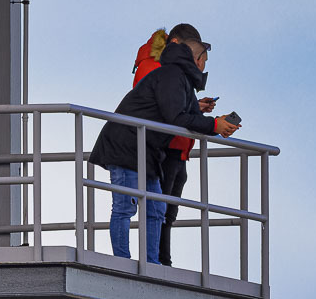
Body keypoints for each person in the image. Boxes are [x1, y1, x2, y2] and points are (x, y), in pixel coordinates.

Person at [89, 23, 238, 263]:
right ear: (196, 58)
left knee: (156, 209)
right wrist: (213, 125)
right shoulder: (171, 74)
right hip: (127, 145)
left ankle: (151, 263)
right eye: (204, 60)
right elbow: (176, 117)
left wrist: (218, 124)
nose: (204, 66)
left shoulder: (178, 77)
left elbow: (189, 115)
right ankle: (122, 263)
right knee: (125, 206)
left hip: (146, 149)